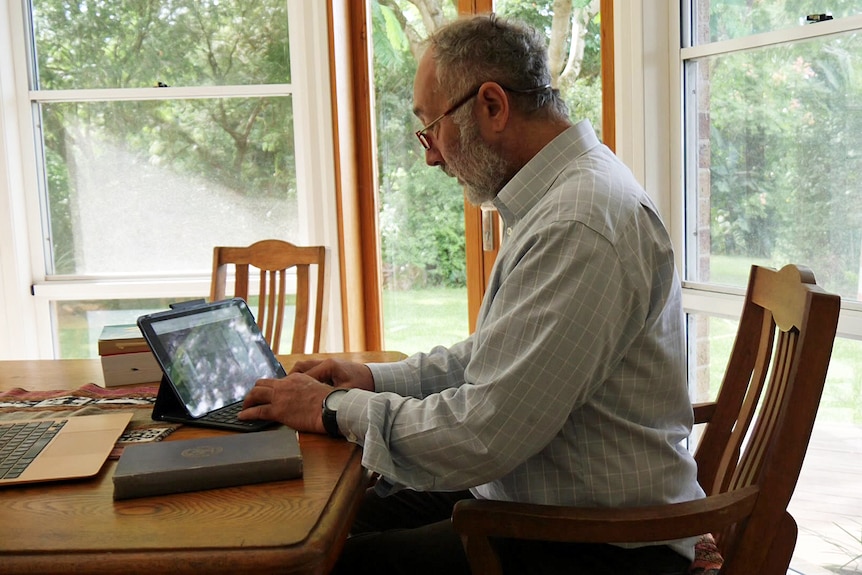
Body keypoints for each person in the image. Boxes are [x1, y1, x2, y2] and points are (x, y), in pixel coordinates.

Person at [240, 13, 705, 575]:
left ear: (491, 105)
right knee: (311, 521)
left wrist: (332, 408)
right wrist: (370, 379)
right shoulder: (565, 198)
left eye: (431, 127)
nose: (431, 155)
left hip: (597, 544)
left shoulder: (579, 223)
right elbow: (496, 358)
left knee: (301, 558)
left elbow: (484, 434)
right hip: (538, 500)